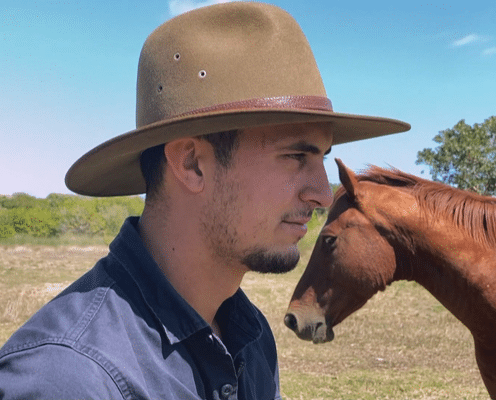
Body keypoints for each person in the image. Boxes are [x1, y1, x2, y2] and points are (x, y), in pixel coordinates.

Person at [0, 2, 410, 399]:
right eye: (296, 157)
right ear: (193, 164)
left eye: (320, 158)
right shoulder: (70, 380)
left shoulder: (247, 334)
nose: (322, 195)